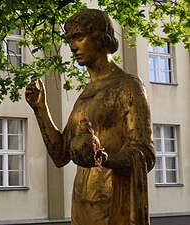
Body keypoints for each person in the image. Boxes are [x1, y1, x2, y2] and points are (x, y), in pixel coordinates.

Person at [25, 9, 155, 225]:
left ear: (100, 38)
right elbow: (60, 155)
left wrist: (103, 158)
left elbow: (145, 152)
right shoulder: (85, 94)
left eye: (78, 36)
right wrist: (40, 108)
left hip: (114, 200)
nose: (73, 46)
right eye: (69, 40)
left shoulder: (128, 86)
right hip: (82, 202)